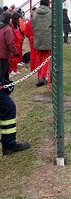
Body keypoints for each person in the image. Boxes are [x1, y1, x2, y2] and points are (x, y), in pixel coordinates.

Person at [0, 12, 30, 155]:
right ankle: (9, 143)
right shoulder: (6, 30)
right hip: (3, 62)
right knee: (8, 107)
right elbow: (10, 43)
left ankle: (8, 143)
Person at [32, 0, 52, 87]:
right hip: (48, 38)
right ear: (48, 4)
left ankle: (39, 76)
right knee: (46, 58)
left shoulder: (35, 13)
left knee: (39, 58)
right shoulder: (51, 13)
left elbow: (33, 25)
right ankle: (42, 76)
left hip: (38, 38)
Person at [24, 7, 37, 72]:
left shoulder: (28, 23)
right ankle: (37, 67)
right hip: (37, 39)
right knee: (38, 54)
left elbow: (25, 31)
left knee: (32, 54)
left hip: (31, 39)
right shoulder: (38, 23)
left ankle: (33, 68)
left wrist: (29, 36)